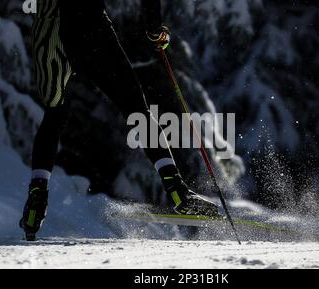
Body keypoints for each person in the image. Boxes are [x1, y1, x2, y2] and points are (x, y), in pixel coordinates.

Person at [20, 0, 218, 241]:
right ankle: (176, 189)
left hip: (47, 28)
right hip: (88, 24)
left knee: (55, 113)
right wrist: (154, 26)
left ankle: (37, 196)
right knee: (135, 108)